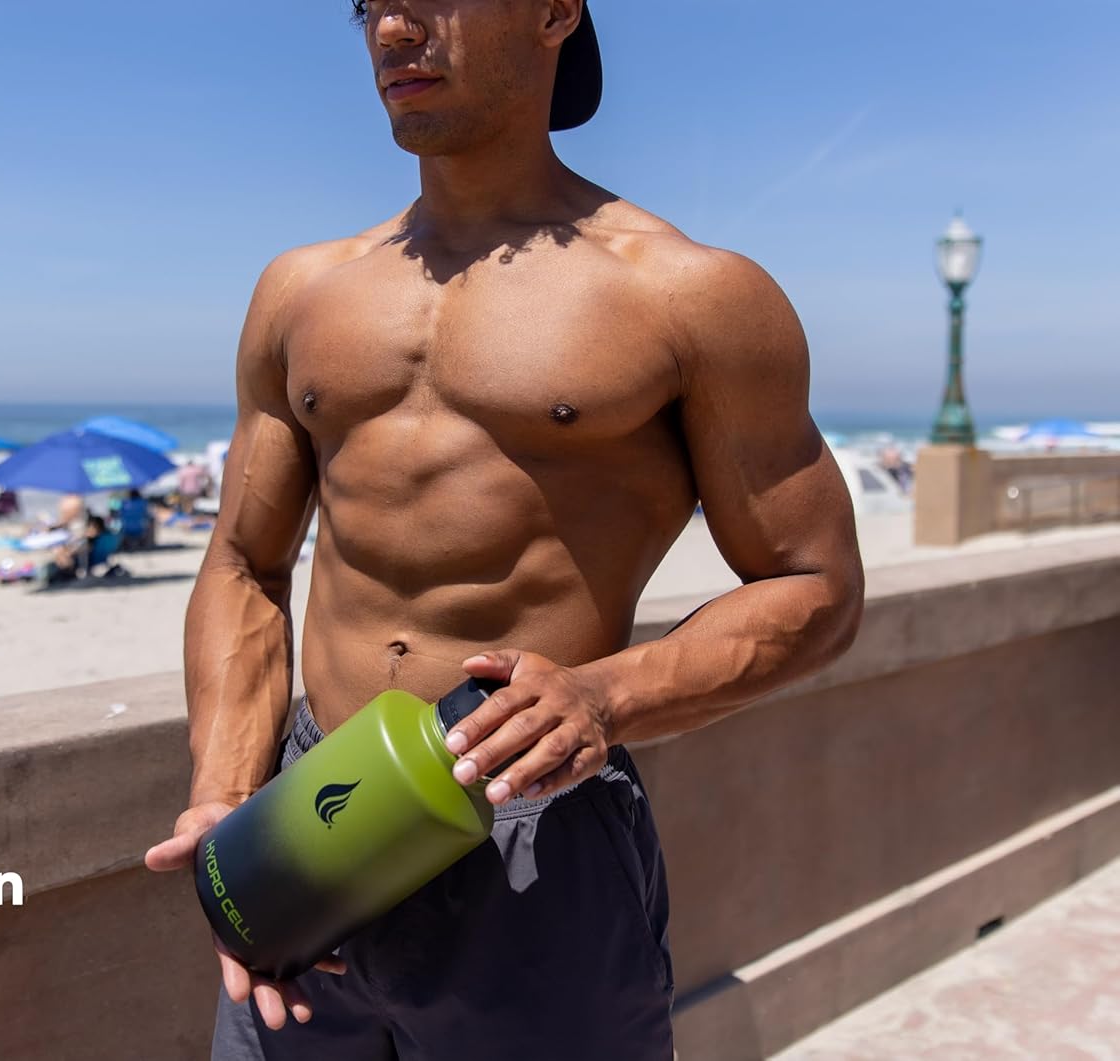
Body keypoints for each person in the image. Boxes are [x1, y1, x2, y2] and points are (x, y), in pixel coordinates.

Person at [143, 5, 865, 1058]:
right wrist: (228, 796)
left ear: (555, 12)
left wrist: (606, 695)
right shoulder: (303, 290)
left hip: (531, 824)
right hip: (310, 814)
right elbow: (245, 563)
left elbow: (817, 585)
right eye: (367, 2)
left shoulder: (692, 296)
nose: (393, 26)